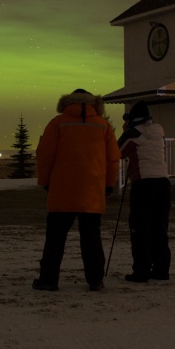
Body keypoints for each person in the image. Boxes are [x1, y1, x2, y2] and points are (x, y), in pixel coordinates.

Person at [33, 89, 121, 292]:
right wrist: (109, 184)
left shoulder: (57, 123)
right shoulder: (103, 126)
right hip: (92, 191)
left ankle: (48, 280)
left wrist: (45, 181)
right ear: (94, 104)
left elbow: (45, 155)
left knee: (55, 238)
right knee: (91, 237)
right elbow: (113, 159)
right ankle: (95, 280)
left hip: (62, 189)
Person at [117, 100, 171, 283]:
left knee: (140, 228)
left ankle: (141, 270)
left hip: (144, 183)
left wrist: (125, 131)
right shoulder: (158, 132)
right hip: (163, 182)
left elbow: (116, 152)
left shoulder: (132, 134)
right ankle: (161, 269)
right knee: (159, 227)